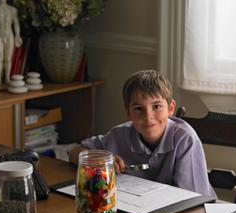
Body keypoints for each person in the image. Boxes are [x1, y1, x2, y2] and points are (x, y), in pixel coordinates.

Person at [68, 70, 216, 197]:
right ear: (128, 112)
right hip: (136, 211)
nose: (148, 116)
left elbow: (193, 198)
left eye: (157, 106)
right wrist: (101, 162)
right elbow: (75, 152)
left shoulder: (185, 139)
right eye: (138, 108)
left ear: (170, 108)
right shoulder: (119, 135)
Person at [0, 0, 22, 88]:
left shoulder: (13, 10)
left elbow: (16, 23)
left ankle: (7, 79)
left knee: (8, 58)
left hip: (9, 34)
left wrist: (17, 35)